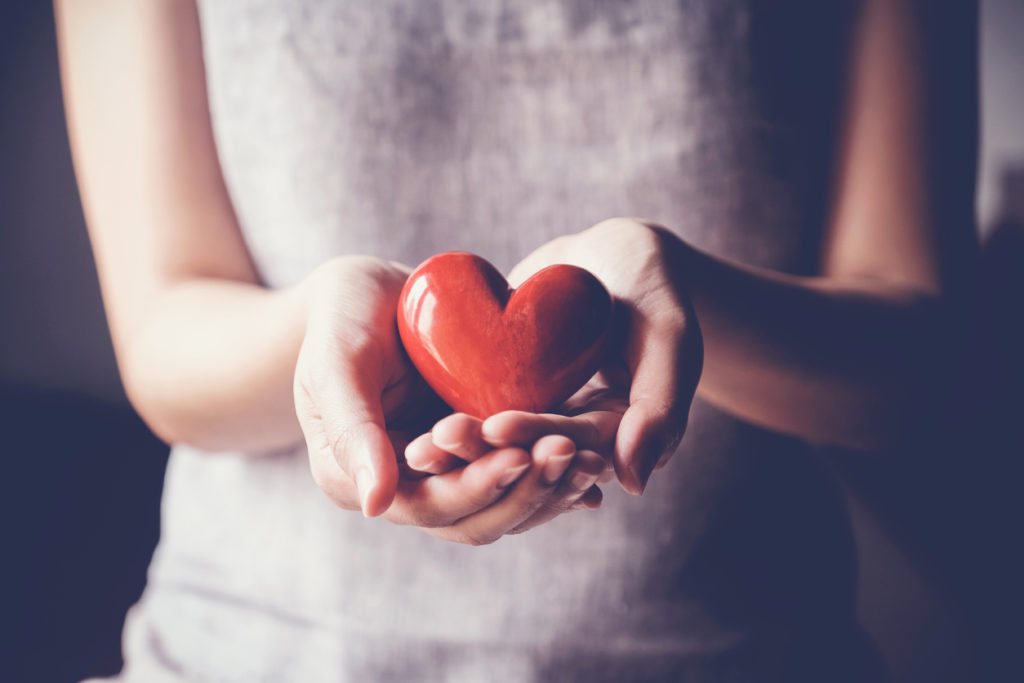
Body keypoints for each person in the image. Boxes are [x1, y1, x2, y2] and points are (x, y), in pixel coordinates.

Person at [57, 0, 976, 680]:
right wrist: (319, 331)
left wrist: (683, 298)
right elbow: (162, 336)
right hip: (248, 651)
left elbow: (913, 369)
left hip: (738, 651)